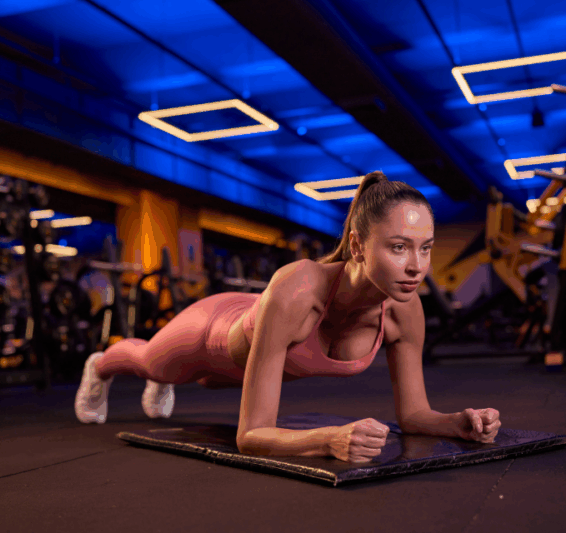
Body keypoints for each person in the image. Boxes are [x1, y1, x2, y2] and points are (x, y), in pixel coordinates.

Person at [75, 171, 502, 463]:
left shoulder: (405, 311)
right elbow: (250, 436)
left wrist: (456, 423)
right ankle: (100, 366)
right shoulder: (301, 287)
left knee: (177, 376)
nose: (416, 266)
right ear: (357, 246)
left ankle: (159, 380)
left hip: (243, 370)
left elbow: (412, 416)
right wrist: (329, 439)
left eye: (425, 247)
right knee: (150, 361)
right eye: (398, 247)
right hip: (210, 335)